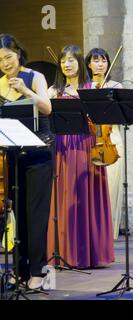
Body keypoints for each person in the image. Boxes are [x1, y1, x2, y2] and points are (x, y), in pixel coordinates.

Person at [47, 45, 114, 268]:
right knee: (66, 197)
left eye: (71, 60)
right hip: (63, 146)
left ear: (80, 63)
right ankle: (66, 251)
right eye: (63, 61)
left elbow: (104, 118)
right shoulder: (54, 90)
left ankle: (91, 253)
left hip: (88, 145)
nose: (67, 64)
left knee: (88, 196)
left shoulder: (91, 87)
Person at [0, 34, 53, 290]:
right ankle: (18, 270)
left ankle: (38, 272)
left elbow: (47, 108)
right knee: (16, 214)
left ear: (18, 53)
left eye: (8, 57)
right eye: (0, 60)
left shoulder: (35, 76)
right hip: (11, 155)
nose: (5, 63)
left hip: (38, 153)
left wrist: (24, 90)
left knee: (36, 215)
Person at [85, 48, 124, 240]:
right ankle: (92, 230)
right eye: (96, 60)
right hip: (90, 139)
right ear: (89, 64)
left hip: (111, 138)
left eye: (104, 61)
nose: (100, 64)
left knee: (111, 185)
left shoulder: (116, 86)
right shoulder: (85, 86)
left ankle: (110, 233)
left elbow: (122, 113)